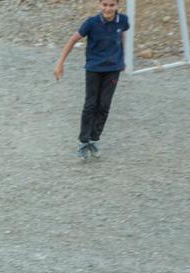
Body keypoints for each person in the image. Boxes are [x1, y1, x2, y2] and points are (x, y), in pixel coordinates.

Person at [54, 0, 130, 158]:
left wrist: (123, 59)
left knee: (104, 105)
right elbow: (73, 39)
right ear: (100, 5)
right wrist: (60, 62)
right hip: (94, 69)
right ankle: (83, 142)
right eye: (105, 4)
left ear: (117, 5)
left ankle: (94, 140)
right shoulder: (91, 23)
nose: (108, 8)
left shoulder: (123, 20)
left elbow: (122, 35)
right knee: (90, 105)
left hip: (113, 69)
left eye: (111, 5)